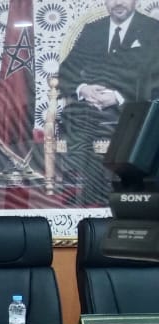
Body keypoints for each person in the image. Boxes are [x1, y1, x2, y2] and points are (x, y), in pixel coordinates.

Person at [58, 0, 159, 206]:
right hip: (88, 111)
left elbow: (155, 80)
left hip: (133, 109)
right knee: (78, 125)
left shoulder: (153, 30)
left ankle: (126, 197)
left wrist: (118, 97)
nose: (118, 3)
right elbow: (66, 70)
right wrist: (83, 89)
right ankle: (93, 197)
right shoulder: (93, 30)